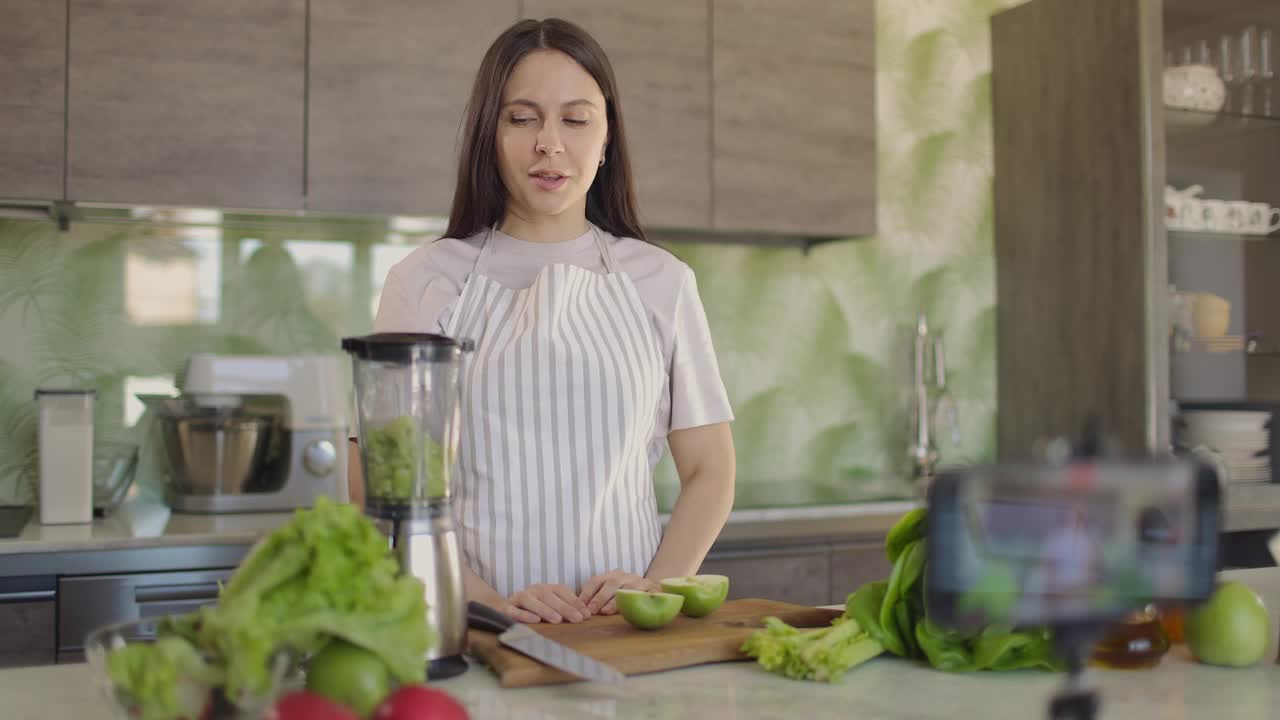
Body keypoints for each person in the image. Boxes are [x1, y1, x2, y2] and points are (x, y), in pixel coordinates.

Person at [348, 18, 736, 625]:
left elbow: (710, 470)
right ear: (488, 135)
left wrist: (654, 589)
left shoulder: (662, 281)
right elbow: (379, 486)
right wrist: (489, 603)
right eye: (522, 118)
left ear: (607, 139)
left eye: (576, 120)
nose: (549, 144)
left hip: (625, 636)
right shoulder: (424, 281)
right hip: (471, 630)